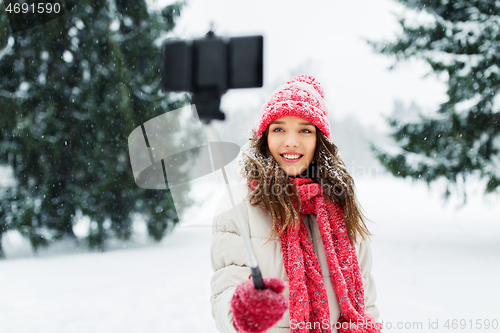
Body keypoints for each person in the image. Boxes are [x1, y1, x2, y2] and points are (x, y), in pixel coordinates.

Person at [210, 75, 381, 333]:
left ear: (319, 141)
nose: (291, 141)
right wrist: (240, 309)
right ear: (264, 137)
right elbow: (225, 289)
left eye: (304, 130)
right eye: (279, 128)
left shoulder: (342, 202)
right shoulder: (240, 203)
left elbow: (365, 301)